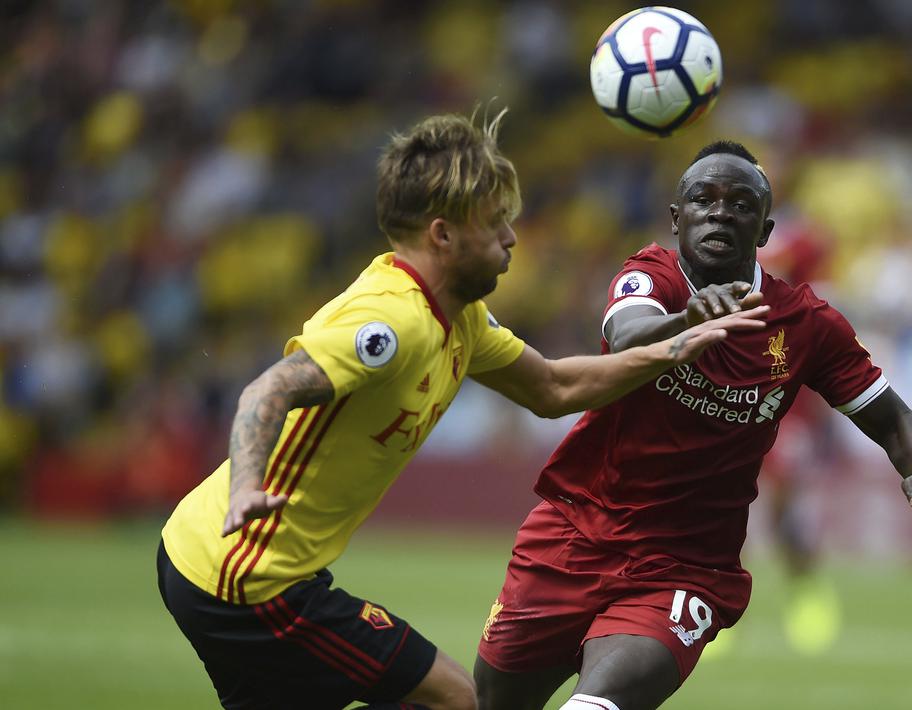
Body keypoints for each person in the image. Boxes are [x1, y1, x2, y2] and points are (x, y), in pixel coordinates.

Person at [156, 113, 767, 710]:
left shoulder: (461, 316)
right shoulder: (392, 321)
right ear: (443, 235)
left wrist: (672, 345)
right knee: (452, 697)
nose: (512, 239)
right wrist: (244, 490)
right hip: (244, 576)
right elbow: (267, 392)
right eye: (496, 223)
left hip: (225, 564)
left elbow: (552, 387)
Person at [475, 141, 912, 710]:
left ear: (764, 229)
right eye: (703, 199)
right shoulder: (649, 278)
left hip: (686, 567)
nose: (720, 212)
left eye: (740, 204)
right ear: (677, 217)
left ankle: (807, 598)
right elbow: (628, 337)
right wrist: (688, 322)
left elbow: (897, 419)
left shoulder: (804, 324)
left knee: (597, 704)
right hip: (574, 533)